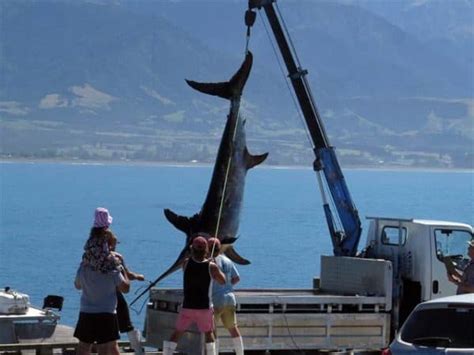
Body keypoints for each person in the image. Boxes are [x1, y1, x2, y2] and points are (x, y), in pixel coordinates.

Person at [74, 207, 130, 355]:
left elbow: (77, 285)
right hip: (106, 313)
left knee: (83, 348)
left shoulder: (85, 264)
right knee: (105, 349)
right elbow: (125, 288)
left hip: (86, 311)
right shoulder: (111, 265)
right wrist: (123, 269)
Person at [162, 236, 226, 355]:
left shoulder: (186, 263)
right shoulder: (211, 266)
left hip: (187, 307)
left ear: (192, 249)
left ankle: (167, 353)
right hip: (204, 308)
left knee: (177, 333)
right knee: (208, 333)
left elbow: (193, 264)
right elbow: (223, 281)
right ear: (206, 250)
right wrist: (214, 263)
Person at [107, 231, 145, 355]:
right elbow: (126, 276)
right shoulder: (117, 257)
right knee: (128, 325)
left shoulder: (94, 257)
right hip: (117, 296)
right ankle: (139, 351)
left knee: (107, 328)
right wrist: (138, 276)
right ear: (111, 244)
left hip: (101, 297)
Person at [208, 237, 244, 355]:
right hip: (230, 298)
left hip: (216, 299)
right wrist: (227, 286)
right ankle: (240, 353)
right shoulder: (227, 260)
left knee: (213, 330)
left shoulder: (210, 262)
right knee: (233, 328)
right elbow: (237, 278)